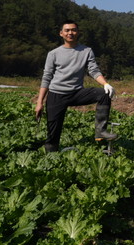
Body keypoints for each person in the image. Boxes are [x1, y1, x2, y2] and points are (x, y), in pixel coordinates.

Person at [35, 20, 116, 152]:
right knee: (53, 133)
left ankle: (101, 131)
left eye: (73, 30)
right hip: (56, 94)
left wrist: (106, 84)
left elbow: (94, 71)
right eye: (67, 30)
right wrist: (40, 102)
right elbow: (46, 78)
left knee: (104, 93)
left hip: (76, 93)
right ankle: (51, 155)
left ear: (78, 32)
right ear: (61, 33)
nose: (70, 33)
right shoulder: (54, 53)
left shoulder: (86, 51)